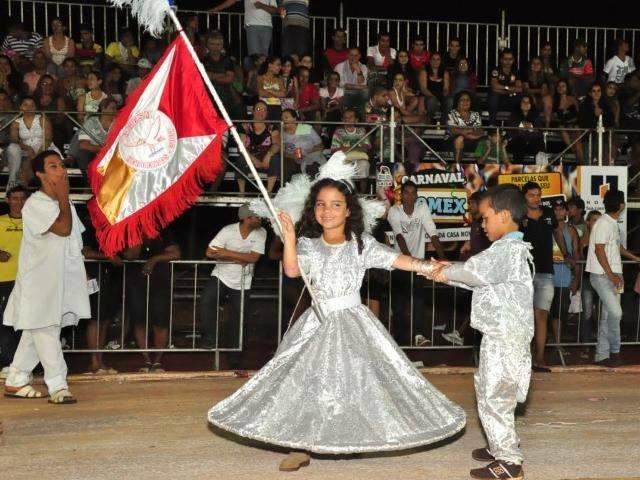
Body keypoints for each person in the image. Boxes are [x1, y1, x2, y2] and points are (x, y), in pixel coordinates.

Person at [208, 160, 466, 471]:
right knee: (307, 381)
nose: (327, 211)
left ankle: (351, 437)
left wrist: (430, 267)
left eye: (335, 204)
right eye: (321, 205)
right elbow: (292, 269)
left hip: (353, 321)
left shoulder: (361, 244)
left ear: (348, 210)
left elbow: (396, 259)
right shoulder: (308, 244)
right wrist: (289, 238)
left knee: (355, 380)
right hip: (317, 322)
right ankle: (301, 445)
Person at [430, 184, 533, 480]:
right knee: (491, 391)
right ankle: (500, 444)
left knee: (495, 396)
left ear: (502, 215)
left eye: (485, 218)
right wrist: (450, 270)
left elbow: (473, 273)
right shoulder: (507, 251)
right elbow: (478, 276)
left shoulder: (506, 250)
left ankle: (509, 462)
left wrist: (442, 271)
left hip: (504, 338)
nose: (482, 224)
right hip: (502, 335)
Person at [3, 150, 90, 404]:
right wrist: (64, 197)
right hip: (39, 283)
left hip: (60, 281)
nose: (61, 170)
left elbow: (74, 242)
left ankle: (16, 379)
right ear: (40, 174)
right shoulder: (35, 204)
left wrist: (81, 277)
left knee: (37, 331)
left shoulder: (66, 204)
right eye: (53, 166)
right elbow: (63, 229)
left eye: (61, 165)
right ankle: (58, 386)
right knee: (46, 330)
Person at [199, 204, 266, 349]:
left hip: (244, 280)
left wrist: (227, 253)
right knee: (206, 302)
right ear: (247, 218)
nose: (261, 219)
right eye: (258, 216)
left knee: (238, 319)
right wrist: (239, 259)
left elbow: (254, 258)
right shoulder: (228, 231)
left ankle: (234, 356)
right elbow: (210, 252)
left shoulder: (261, 232)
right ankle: (210, 338)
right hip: (221, 275)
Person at [387, 180, 445, 346]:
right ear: (401, 195)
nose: (410, 196)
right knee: (399, 305)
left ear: (417, 195)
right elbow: (399, 236)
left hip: (418, 265)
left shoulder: (422, 209)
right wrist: (409, 260)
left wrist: (443, 259)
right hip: (399, 263)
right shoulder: (394, 211)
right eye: (407, 192)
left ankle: (419, 336)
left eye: (413, 193)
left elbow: (432, 233)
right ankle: (399, 341)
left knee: (418, 302)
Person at [586, 189, 640, 367]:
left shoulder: (610, 223)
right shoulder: (603, 223)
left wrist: (635, 258)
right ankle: (615, 352)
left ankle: (602, 356)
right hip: (603, 275)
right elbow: (599, 250)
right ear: (622, 205)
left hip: (613, 274)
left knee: (609, 316)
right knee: (616, 313)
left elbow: (617, 248)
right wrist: (612, 276)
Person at [520, 181, 567, 372]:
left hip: (546, 272)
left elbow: (558, 233)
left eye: (538, 194)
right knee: (525, 316)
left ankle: (539, 357)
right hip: (523, 273)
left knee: (542, 315)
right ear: (524, 196)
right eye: (531, 195)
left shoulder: (548, 214)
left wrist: (567, 255)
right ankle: (524, 357)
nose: (536, 198)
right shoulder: (518, 215)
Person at [120, 230, 181, 373]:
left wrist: (154, 259)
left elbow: (176, 254)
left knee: (160, 323)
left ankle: (157, 361)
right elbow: (130, 255)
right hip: (136, 282)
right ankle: (146, 360)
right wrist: (139, 238)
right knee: (139, 321)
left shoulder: (163, 231)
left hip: (160, 283)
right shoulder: (130, 230)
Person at [442, 190, 491, 346]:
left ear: (479, 204)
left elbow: (486, 248)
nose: (469, 206)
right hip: (475, 271)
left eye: (471, 203)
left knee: (479, 306)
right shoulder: (476, 223)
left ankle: (461, 334)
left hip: (484, 272)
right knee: (473, 304)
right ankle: (460, 332)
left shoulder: (484, 223)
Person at [0, 186, 28, 376]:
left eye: (22, 198)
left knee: (26, 323)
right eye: (15, 198)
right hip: (4, 279)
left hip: (28, 281)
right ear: (7, 200)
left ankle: (23, 364)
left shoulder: (34, 222)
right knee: (5, 322)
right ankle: (8, 363)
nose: (19, 202)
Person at [7, 96, 56, 189]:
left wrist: (38, 154)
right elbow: (14, 139)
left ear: (36, 107)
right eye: (25, 105)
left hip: (44, 147)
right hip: (26, 149)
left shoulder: (42, 119)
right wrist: (28, 148)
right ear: (20, 107)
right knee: (22, 160)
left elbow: (48, 139)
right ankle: (17, 186)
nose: (29, 108)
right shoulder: (16, 122)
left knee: (33, 163)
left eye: (32, 105)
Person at [549, 200, 580, 349]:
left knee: (560, 312)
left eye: (561, 209)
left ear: (567, 212)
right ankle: (551, 343)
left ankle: (558, 344)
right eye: (556, 209)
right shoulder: (546, 228)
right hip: (546, 277)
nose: (558, 212)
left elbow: (576, 256)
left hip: (564, 277)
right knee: (546, 312)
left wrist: (576, 279)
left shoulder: (572, 230)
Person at [210, 0, 279, 61]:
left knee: (265, 55)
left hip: (267, 26)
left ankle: (262, 74)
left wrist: (262, 6)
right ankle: (256, 74)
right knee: (254, 56)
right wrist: (216, 8)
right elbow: (231, 1)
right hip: (251, 25)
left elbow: (275, 10)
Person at [237, 100, 281, 193]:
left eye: (264, 110)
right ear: (253, 111)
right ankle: (242, 193)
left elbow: (277, 144)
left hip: (266, 160)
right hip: (250, 158)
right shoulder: (244, 125)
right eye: (258, 109)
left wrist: (268, 155)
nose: (261, 111)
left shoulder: (272, 127)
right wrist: (253, 159)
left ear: (267, 113)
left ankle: (268, 193)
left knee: (275, 158)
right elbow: (240, 147)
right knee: (241, 159)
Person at [202, 31, 242, 120]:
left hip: (228, 96)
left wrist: (212, 77)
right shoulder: (203, 61)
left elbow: (229, 79)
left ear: (222, 45)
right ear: (207, 45)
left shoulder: (228, 60)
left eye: (218, 44)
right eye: (212, 44)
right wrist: (223, 75)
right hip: (210, 97)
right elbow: (205, 78)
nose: (215, 47)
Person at [330, 108, 371, 192]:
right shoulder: (338, 132)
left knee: (364, 164)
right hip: (345, 160)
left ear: (356, 120)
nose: (347, 119)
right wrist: (357, 147)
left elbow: (366, 147)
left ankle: (363, 193)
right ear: (342, 120)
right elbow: (334, 150)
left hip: (359, 159)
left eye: (350, 117)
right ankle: (351, 193)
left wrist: (345, 148)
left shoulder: (361, 131)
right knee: (342, 166)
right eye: (345, 117)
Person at [281, 108, 325, 176]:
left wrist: (306, 152)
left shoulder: (305, 128)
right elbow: (282, 152)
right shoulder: (282, 134)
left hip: (310, 159)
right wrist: (292, 156)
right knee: (287, 165)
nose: (283, 120)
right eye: (282, 118)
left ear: (294, 118)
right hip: (292, 161)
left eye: (286, 117)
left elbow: (320, 146)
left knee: (312, 165)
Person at [447, 90, 483, 163]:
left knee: (484, 141)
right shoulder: (452, 114)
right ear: (457, 102)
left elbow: (479, 131)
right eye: (462, 100)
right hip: (453, 140)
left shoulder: (475, 114)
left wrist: (465, 132)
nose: (465, 102)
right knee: (459, 139)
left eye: (467, 100)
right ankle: (457, 165)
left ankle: (481, 167)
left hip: (473, 140)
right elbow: (454, 131)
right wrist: (470, 131)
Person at [488, 49, 523, 124]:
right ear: (501, 60)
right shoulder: (496, 70)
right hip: (498, 100)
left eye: (510, 59)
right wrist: (508, 88)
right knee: (494, 96)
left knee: (520, 97)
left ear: (513, 60)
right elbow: (494, 86)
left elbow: (519, 89)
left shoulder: (516, 71)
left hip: (510, 99)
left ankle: (516, 126)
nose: (508, 61)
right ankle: (492, 125)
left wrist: (502, 89)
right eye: (505, 59)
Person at [506, 94, 545, 162]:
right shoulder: (513, 115)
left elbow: (540, 133)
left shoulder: (536, 116)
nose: (526, 104)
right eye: (523, 102)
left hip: (532, 144)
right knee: (519, 142)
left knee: (538, 143)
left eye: (528, 102)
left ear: (531, 104)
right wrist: (521, 127)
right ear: (520, 103)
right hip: (517, 144)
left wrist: (531, 128)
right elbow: (510, 133)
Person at [334, 47, 369, 119]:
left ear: (359, 56)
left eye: (356, 55)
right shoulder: (339, 66)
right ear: (347, 55)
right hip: (344, 94)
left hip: (358, 94)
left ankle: (362, 120)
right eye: (351, 55)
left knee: (366, 93)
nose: (353, 58)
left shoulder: (363, 67)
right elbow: (342, 85)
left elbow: (363, 84)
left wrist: (358, 70)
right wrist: (358, 87)